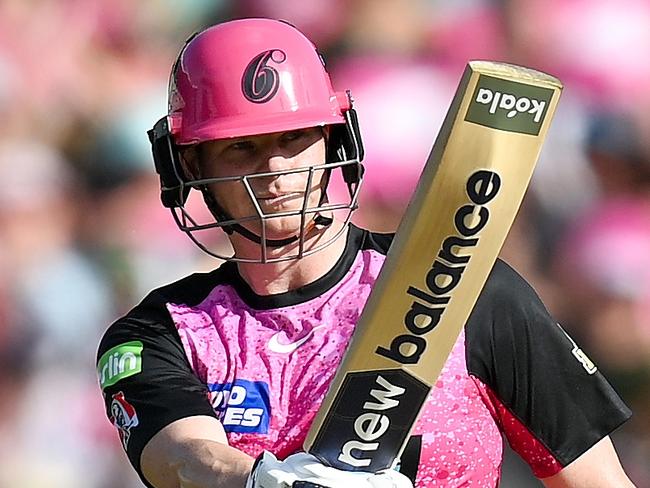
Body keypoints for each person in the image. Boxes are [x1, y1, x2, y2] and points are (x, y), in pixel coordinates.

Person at [96, 18, 636, 488]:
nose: (277, 171)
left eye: (294, 138)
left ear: (335, 140)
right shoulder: (159, 333)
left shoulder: (464, 286)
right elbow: (183, 460)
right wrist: (262, 481)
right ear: (189, 165)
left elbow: (596, 480)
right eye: (243, 147)